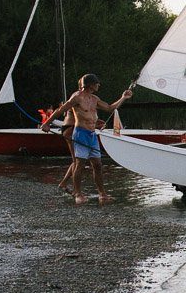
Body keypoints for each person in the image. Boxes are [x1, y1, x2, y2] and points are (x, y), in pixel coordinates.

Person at [41, 75, 133, 204]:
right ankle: (78, 194)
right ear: (90, 84)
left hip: (92, 135)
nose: (98, 85)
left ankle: (102, 194)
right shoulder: (77, 97)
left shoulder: (95, 99)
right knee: (79, 164)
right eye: (97, 83)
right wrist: (46, 123)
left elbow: (110, 108)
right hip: (80, 134)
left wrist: (123, 97)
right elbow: (61, 110)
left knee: (98, 165)